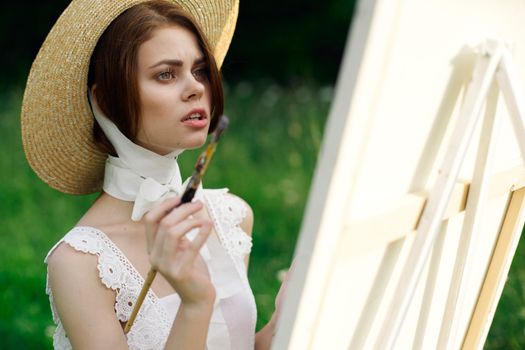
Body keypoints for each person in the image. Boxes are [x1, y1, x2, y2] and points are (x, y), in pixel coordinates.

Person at [21, 0, 286, 348]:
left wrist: (287, 315)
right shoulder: (80, 263)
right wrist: (195, 304)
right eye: (166, 74)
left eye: (200, 70)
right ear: (104, 101)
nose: (196, 88)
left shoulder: (232, 217)